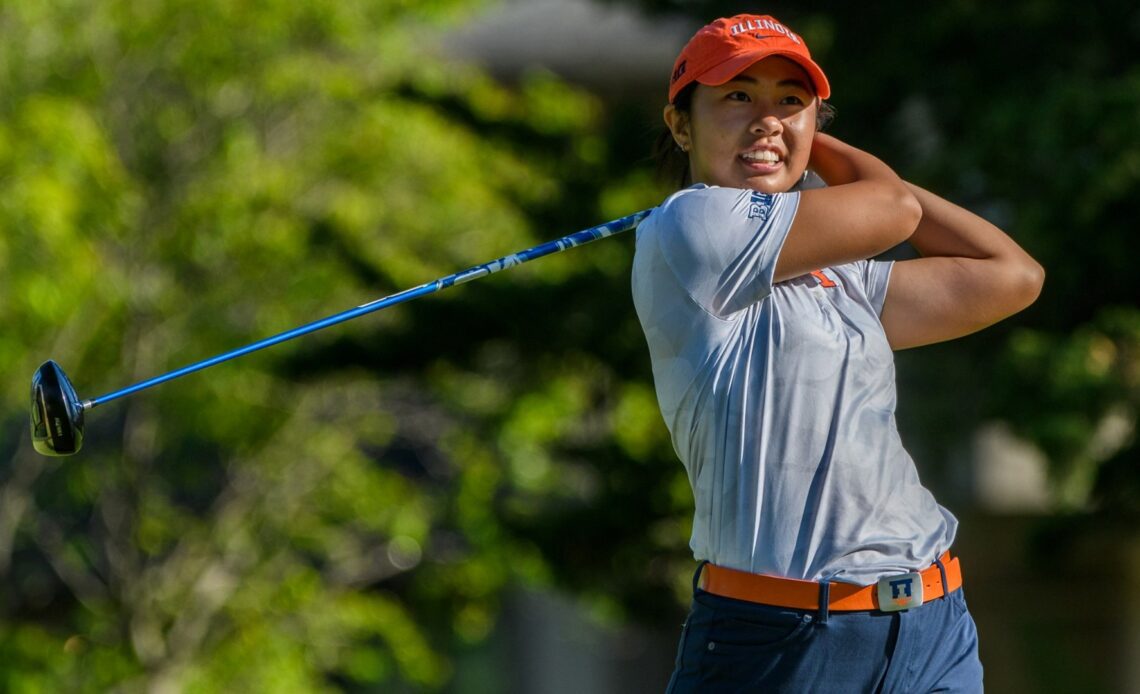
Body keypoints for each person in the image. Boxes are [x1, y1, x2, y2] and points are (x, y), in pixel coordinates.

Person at [631, 13, 1044, 693]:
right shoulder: (691, 224)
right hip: (779, 642)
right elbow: (894, 211)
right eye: (738, 97)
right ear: (681, 126)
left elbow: (1010, 276)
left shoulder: (839, 276)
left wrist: (803, 140)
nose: (766, 119)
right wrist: (810, 142)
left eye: (789, 100)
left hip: (930, 626)